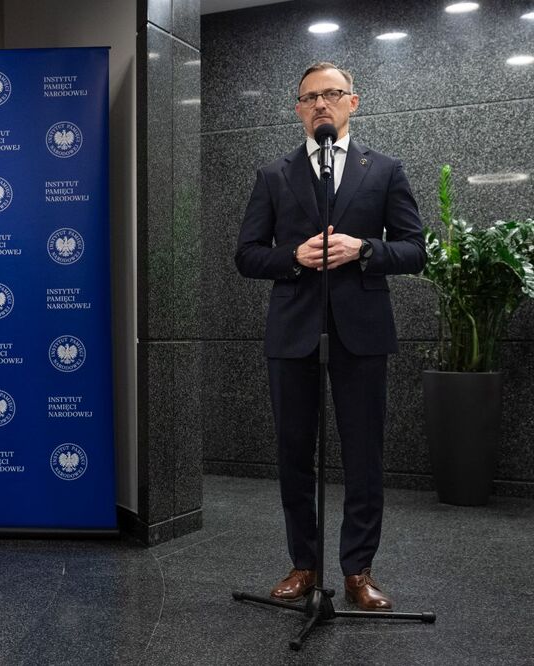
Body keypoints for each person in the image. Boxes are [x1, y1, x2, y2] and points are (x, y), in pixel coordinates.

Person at [234, 62, 425, 611]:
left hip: (361, 333)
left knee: (364, 454)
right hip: (293, 332)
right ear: (298, 109)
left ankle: (358, 570)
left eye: (332, 94)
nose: (322, 104)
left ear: (353, 103)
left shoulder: (385, 170)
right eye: (311, 97)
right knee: (295, 453)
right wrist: (291, 258)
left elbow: (415, 248)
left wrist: (364, 249)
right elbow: (247, 256)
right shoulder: (273, 174)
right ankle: (304, 563)